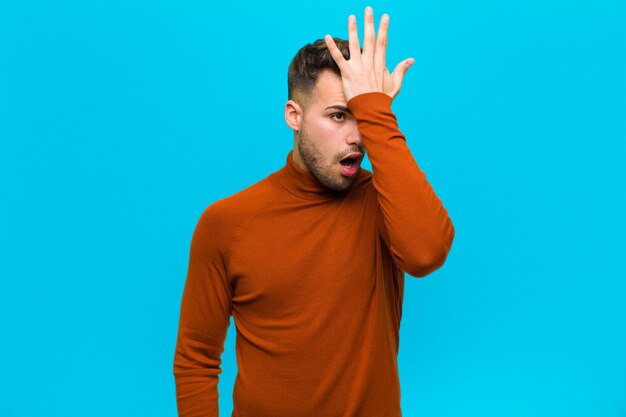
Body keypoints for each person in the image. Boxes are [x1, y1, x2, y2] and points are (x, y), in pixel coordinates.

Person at [173, 6, 455, 417]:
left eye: (363, 118)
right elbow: (196, 359)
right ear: (295, 116)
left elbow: (427, 252)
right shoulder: (227, 223)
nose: (356, 136)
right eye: (339, 115)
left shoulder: (385, 203)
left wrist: (377, 108)